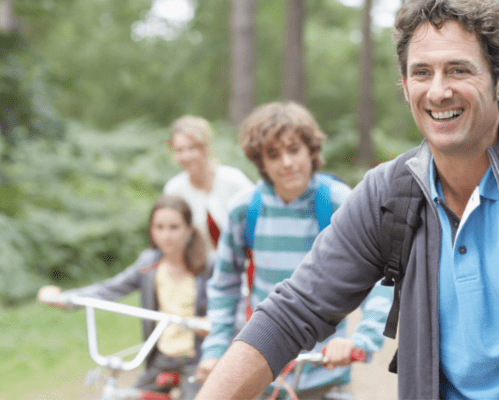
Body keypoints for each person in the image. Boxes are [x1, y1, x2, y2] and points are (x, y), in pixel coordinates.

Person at [194, 1, 499, 399]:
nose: (439, 91)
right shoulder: (388, 193)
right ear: (406, 88)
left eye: (459, 69)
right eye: (422, 72)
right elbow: (292, 312)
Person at [194, 101, 392, 399]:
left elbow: (380, 279)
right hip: (262, 369)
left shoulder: (338, 202)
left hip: (325, 371)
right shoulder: (245, 209)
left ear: (311, 151)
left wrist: (362, 338)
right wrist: (215, 350)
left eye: (294, 150)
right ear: (260, 161)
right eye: (273, 155)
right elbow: (224, 286)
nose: (286, 163)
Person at [38, 195, 212, 400]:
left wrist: (210, 324)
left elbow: (230, 308)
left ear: (189, 229)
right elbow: (109, 289)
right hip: (161, 356)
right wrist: (64, 299)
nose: (166, 235)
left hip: (197, 357)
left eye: (174, 227)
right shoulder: (149, 264)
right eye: (159, 227)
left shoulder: (208, 267)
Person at [164, 115, 254, 249]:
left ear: (206, 148)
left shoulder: (233, 179)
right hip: (199, 266)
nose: (186, 156)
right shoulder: (174, 190)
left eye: (192, 148)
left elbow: (259, 215)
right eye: (179, 150)